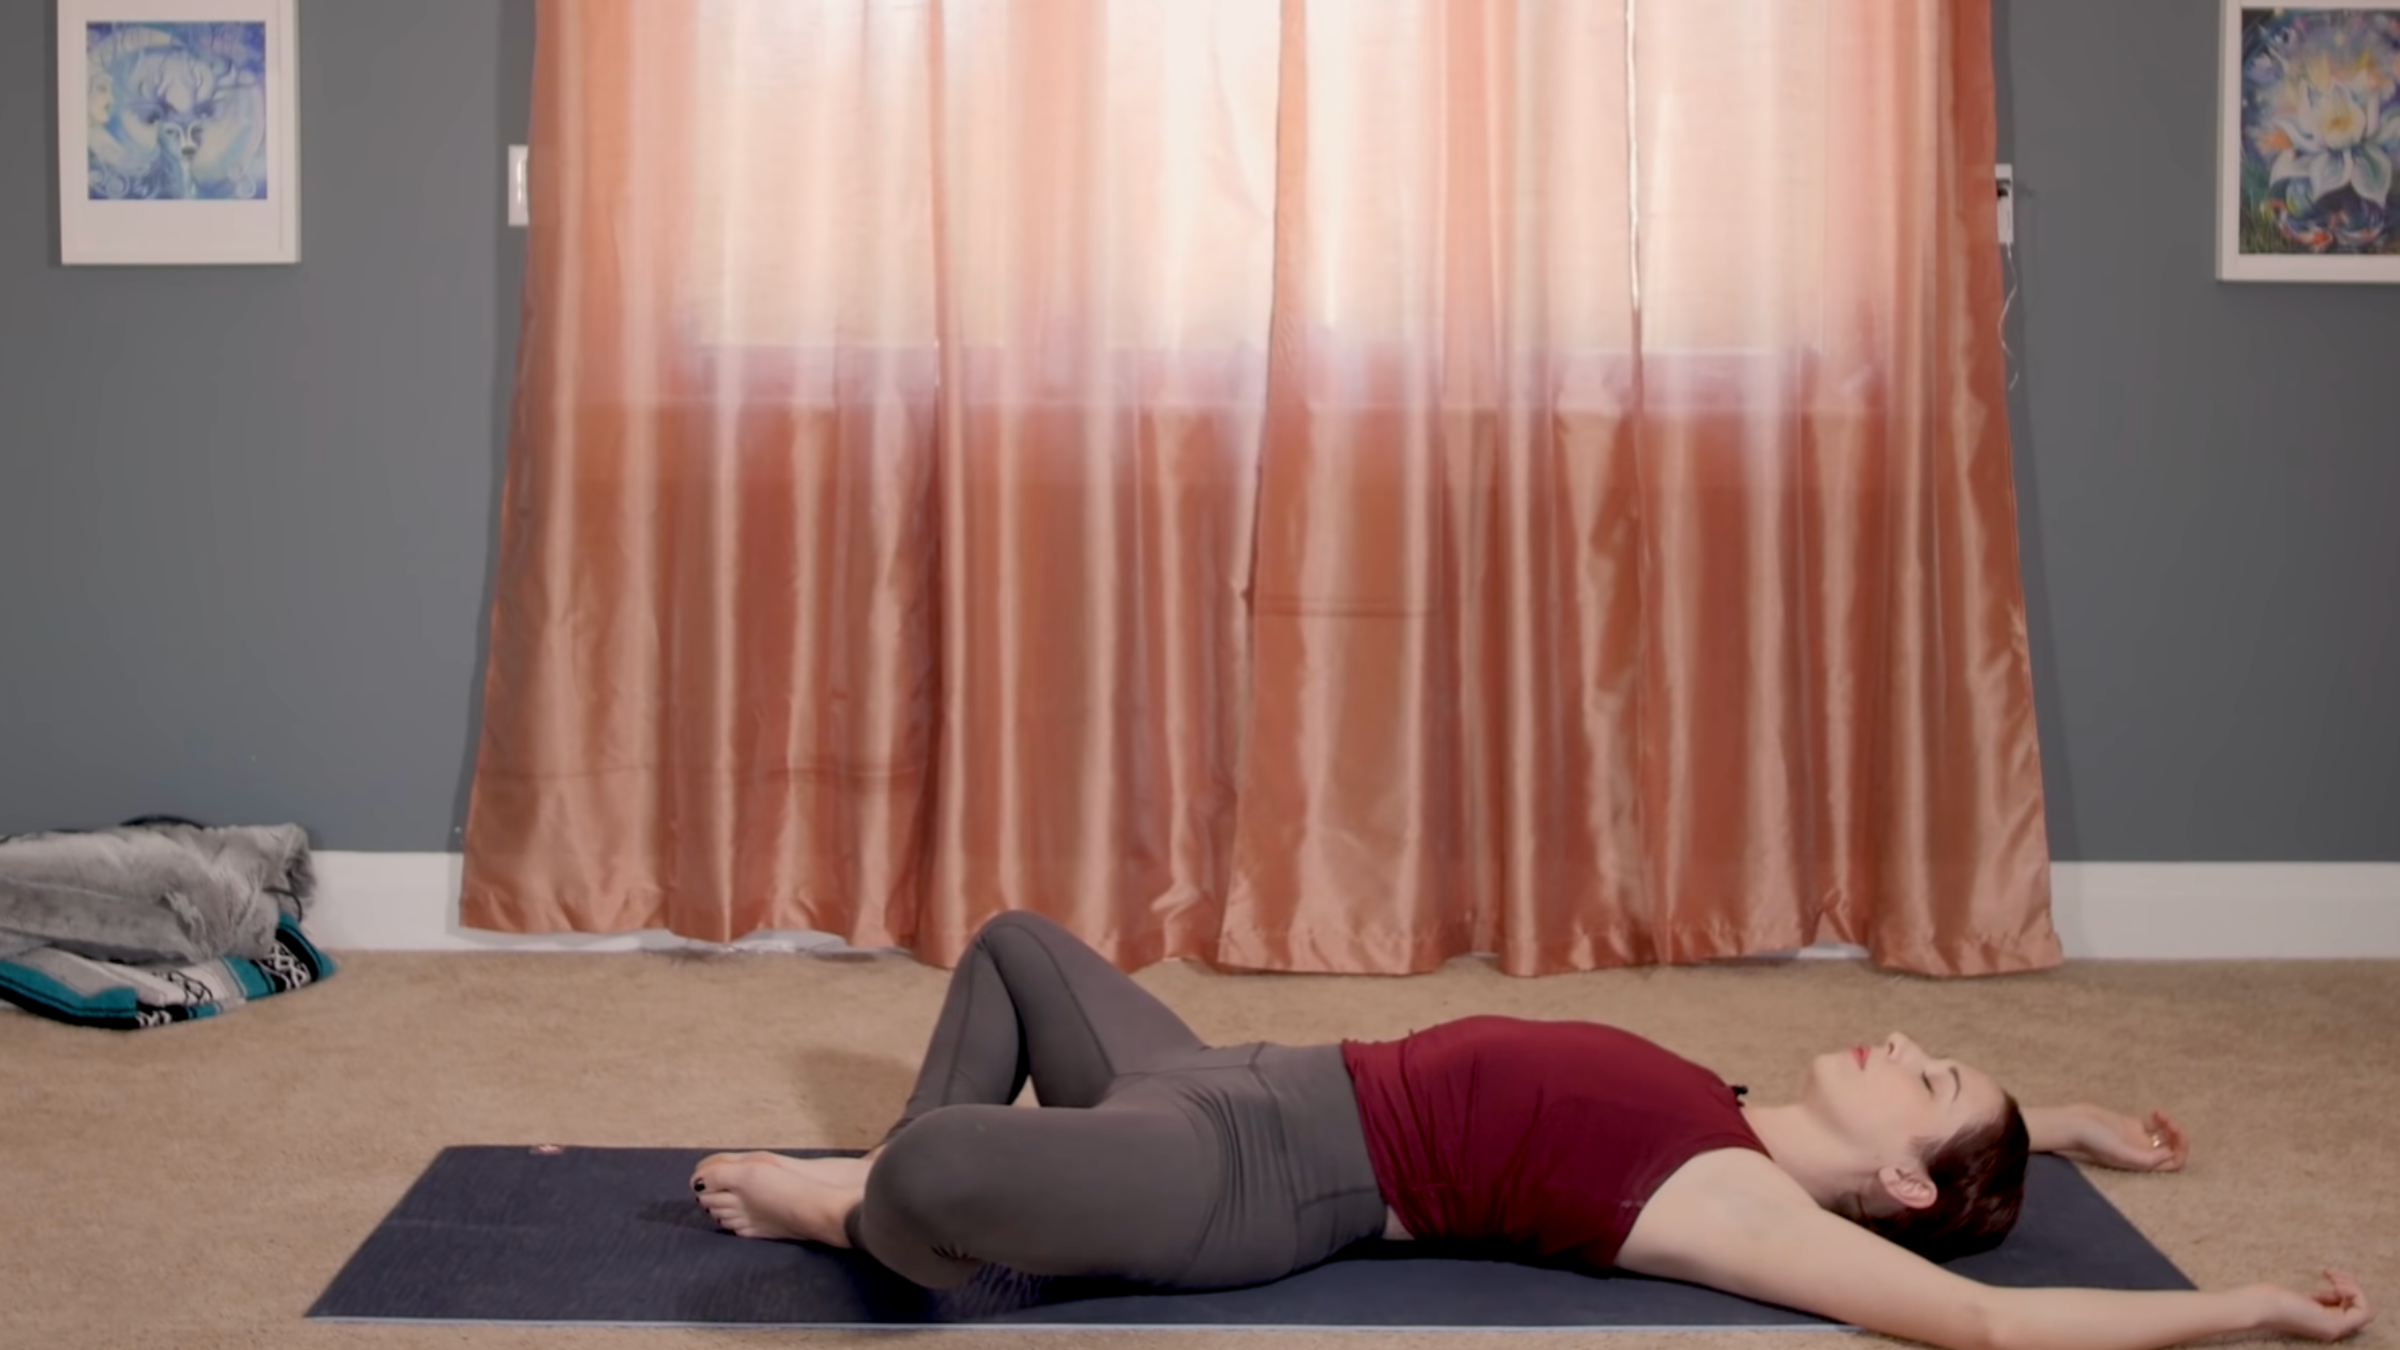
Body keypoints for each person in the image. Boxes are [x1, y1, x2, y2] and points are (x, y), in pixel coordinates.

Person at [691, 912, 2372, 1348]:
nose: (1906, 1036)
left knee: (924, 1169)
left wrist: (2247, 1305)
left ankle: (870, 1227)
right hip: (1239, 1066)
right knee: (1009, 942)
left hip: (1257, 1176)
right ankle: (911, 1192)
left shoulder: (1734, 1200)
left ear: (1902, 1180)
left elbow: (1994, 1313)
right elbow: (1976, 1174)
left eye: (1929, 1079)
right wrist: (2058, 1124)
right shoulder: (1728, 1104)